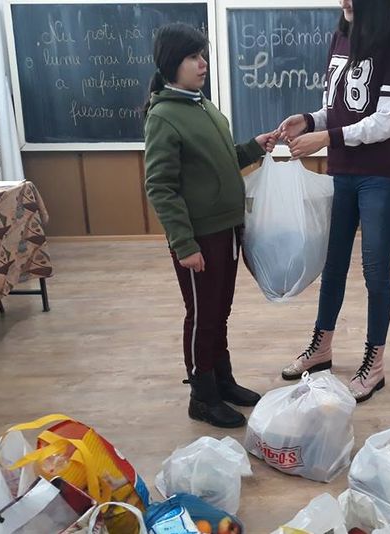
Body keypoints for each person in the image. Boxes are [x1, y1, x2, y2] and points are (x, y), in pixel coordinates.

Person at [277, 0, 390, 403]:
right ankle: (321, 349)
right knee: (333, 264)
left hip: (380, 176)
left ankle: (375, 364)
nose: (346, 1)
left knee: (375, 271)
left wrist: (326, 137)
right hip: (342, 172)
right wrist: (309, 120)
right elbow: (337, 109)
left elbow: (386, 121)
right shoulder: (340, 36)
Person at [144, 23, 276, 428]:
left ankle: (222, 380)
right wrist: (184, 244)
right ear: (172, 63)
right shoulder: (164, 117)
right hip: (199, 237)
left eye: (203, 55)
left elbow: (220, 161)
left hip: (226, 230)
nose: (202, 63)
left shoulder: (203, 106)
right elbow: (160, 186)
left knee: (220, 310)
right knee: (202, 315)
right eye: (193, 57)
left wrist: (254, 147)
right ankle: (201, 396)